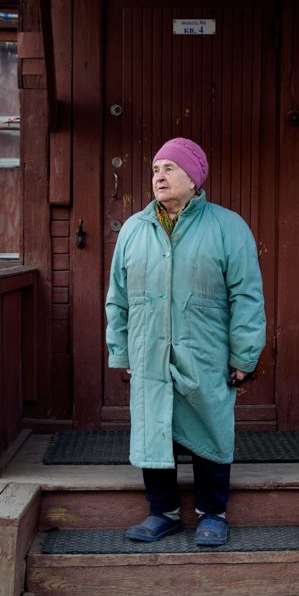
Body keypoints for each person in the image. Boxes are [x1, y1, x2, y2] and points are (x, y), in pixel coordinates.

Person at [105, 137, 266, 547]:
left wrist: (244, 353)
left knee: (210, 425)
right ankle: (163, 512)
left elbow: (246, 295)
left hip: (205, 350)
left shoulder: (228, 227)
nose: (160, 175)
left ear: (194, 178)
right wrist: (121, 350)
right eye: (156, 168)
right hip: (149, 350)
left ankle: (213, 513)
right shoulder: (134, 231)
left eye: (170, 168)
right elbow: (117, 298)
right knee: (152, 427)